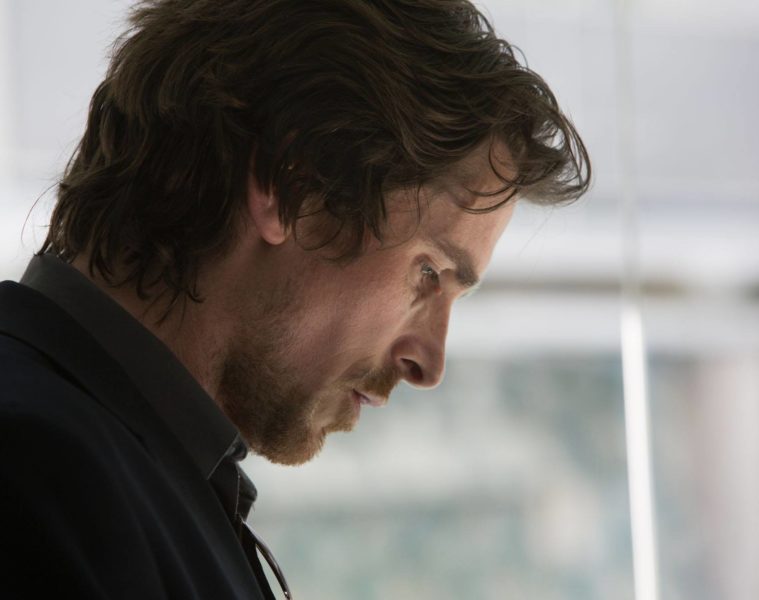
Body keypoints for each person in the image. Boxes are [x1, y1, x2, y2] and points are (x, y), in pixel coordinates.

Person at [0, 0, 590, 598]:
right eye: (428, 274)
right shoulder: (36, 475)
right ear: (291, 192)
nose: (429, 363)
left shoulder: (120, 474)